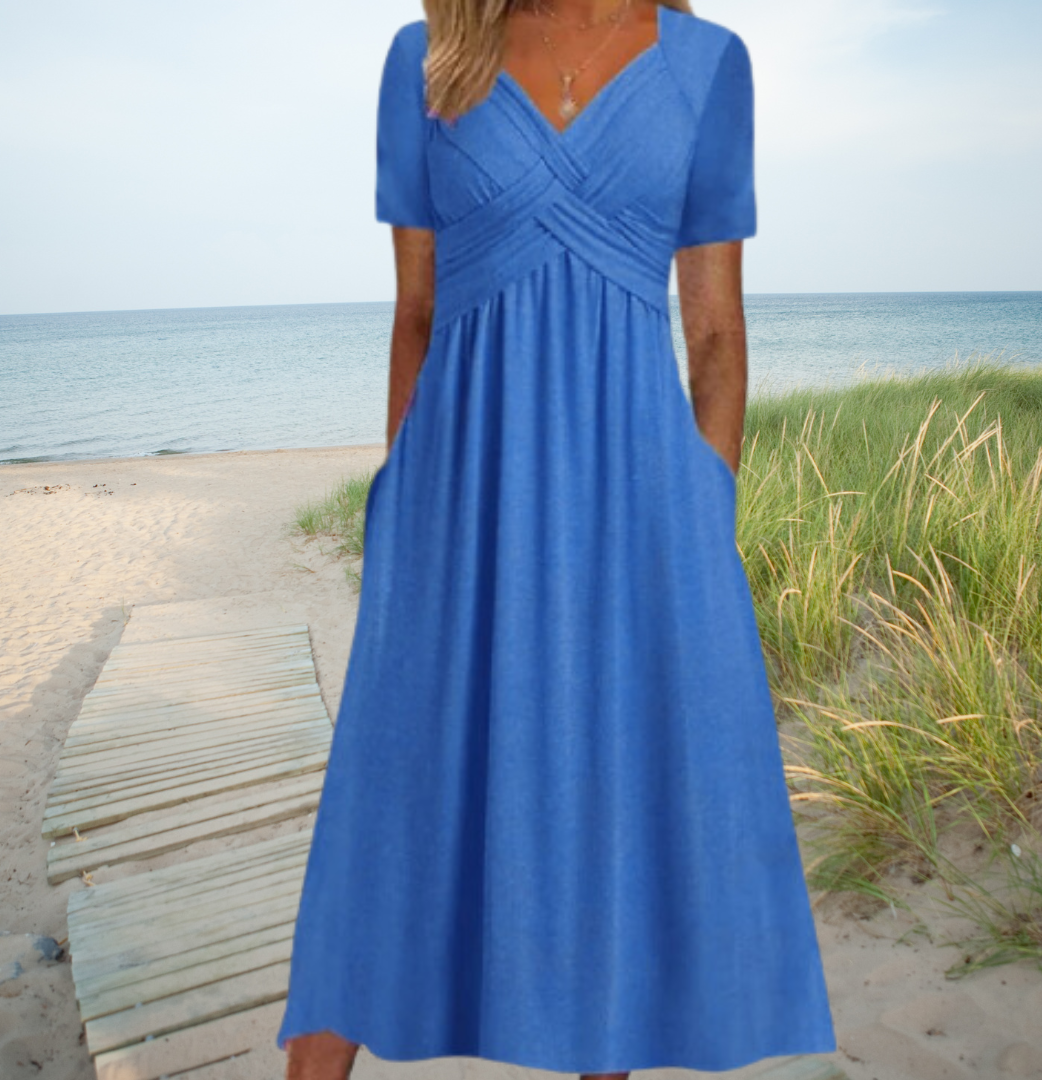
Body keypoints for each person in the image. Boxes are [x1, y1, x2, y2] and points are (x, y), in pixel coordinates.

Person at [279, 2, 837, 1078]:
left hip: (643, 511)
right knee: (385, 804)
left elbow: (715, 330)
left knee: (611, 795)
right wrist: (407, 505)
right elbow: (416, 312)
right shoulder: (429, 56)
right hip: (457, 497)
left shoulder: (708, 66)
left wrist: (700, 511)